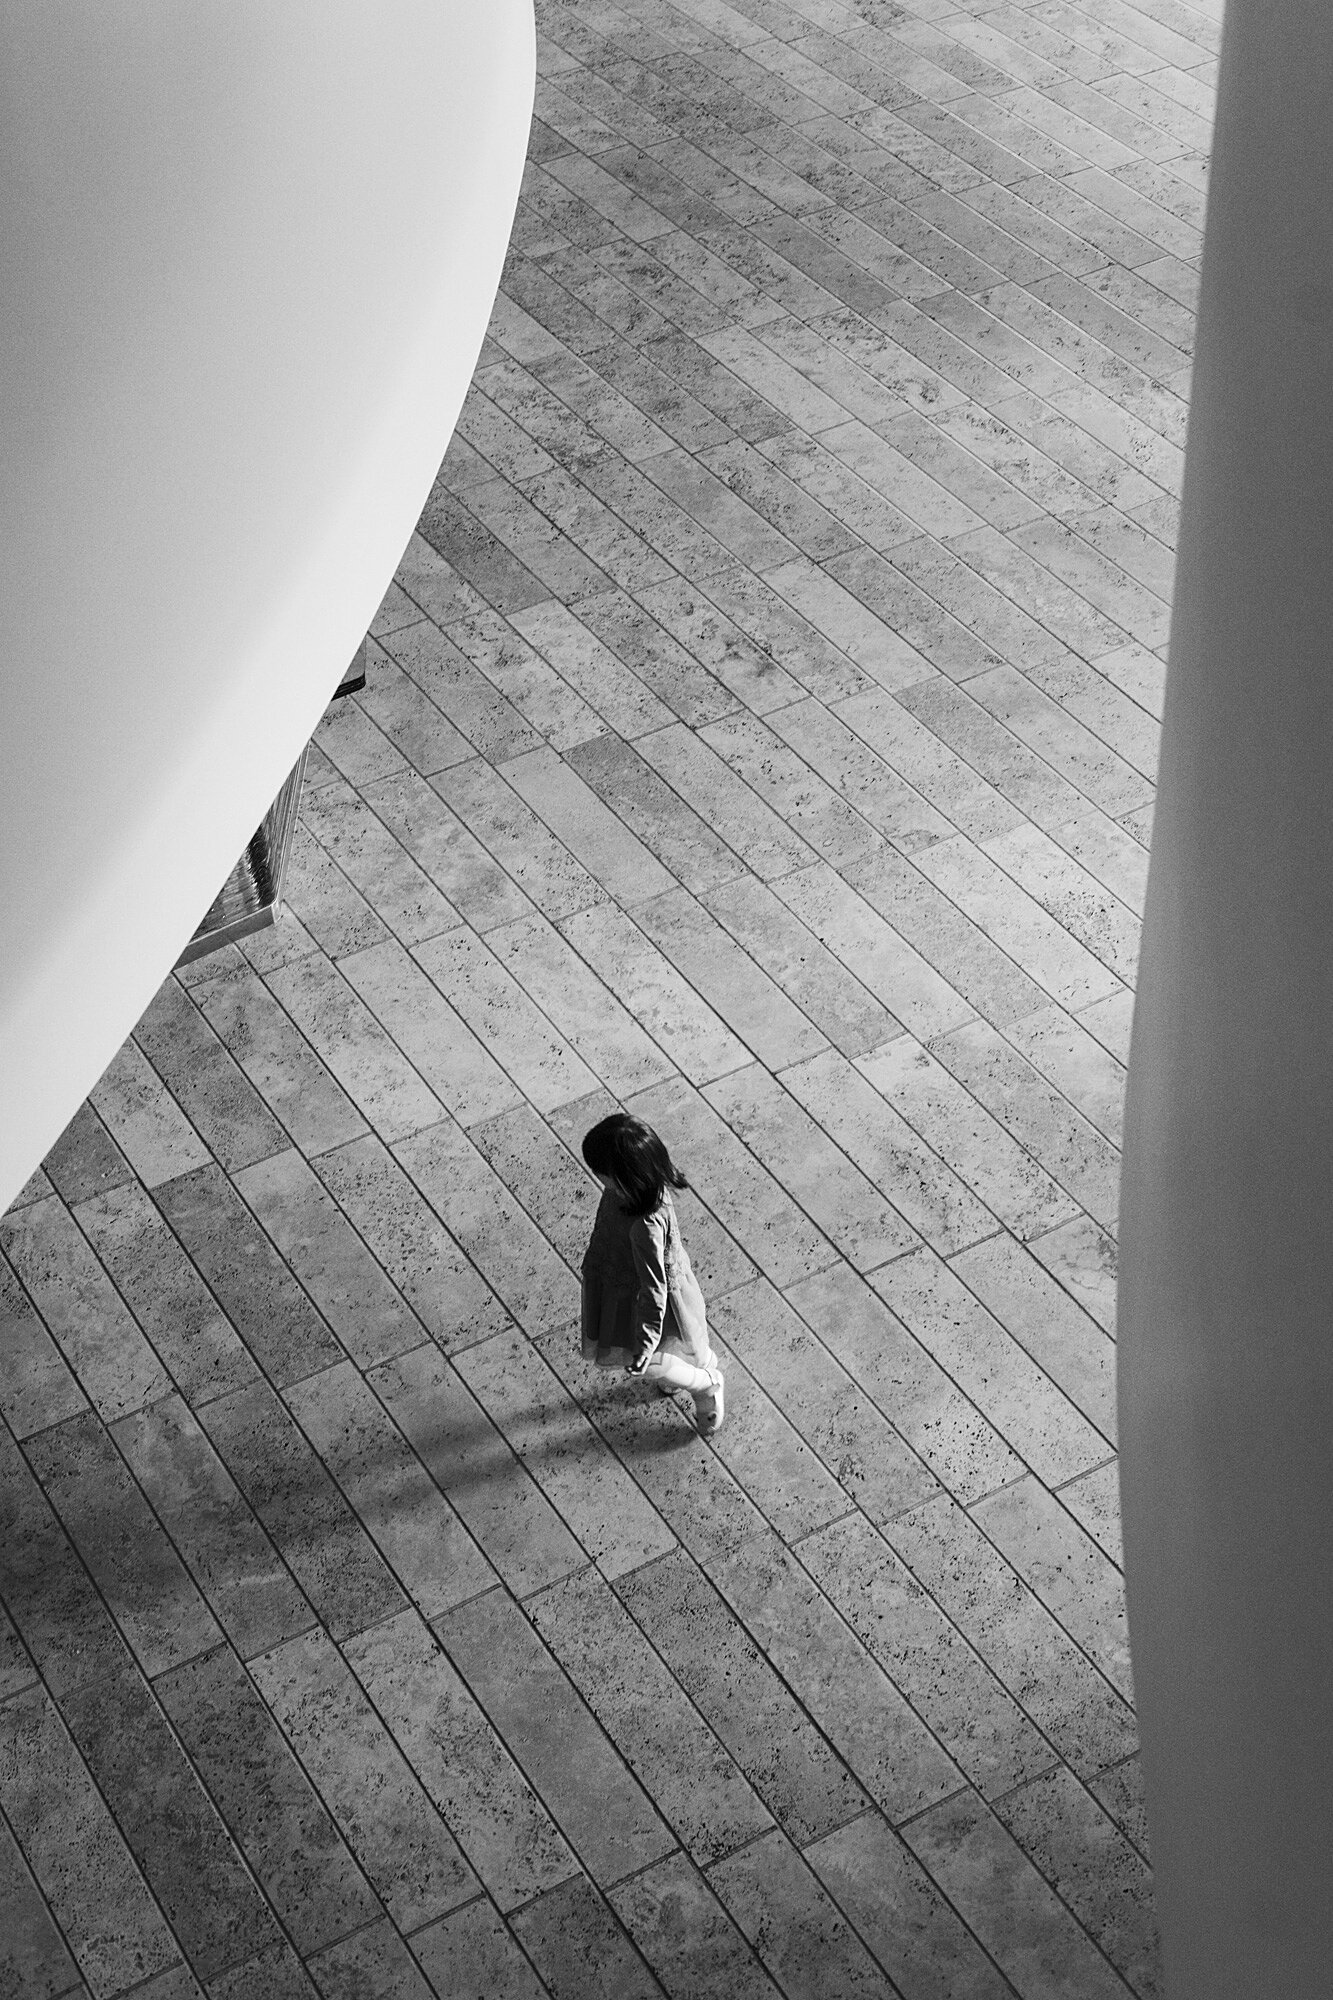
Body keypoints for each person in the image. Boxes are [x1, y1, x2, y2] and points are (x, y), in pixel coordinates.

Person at [580, 1112, 724, 1435]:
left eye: (602, 1173)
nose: (598, 1178)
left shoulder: (645, 1225)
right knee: (662, 1359)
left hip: (646, 1306)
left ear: (624, 1177)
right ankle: (683, 1372)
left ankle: (705, 1385)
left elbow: (654, 1289)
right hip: (626, 1286)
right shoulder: (631, 1192)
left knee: (652, 1361)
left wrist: (645, 1344)